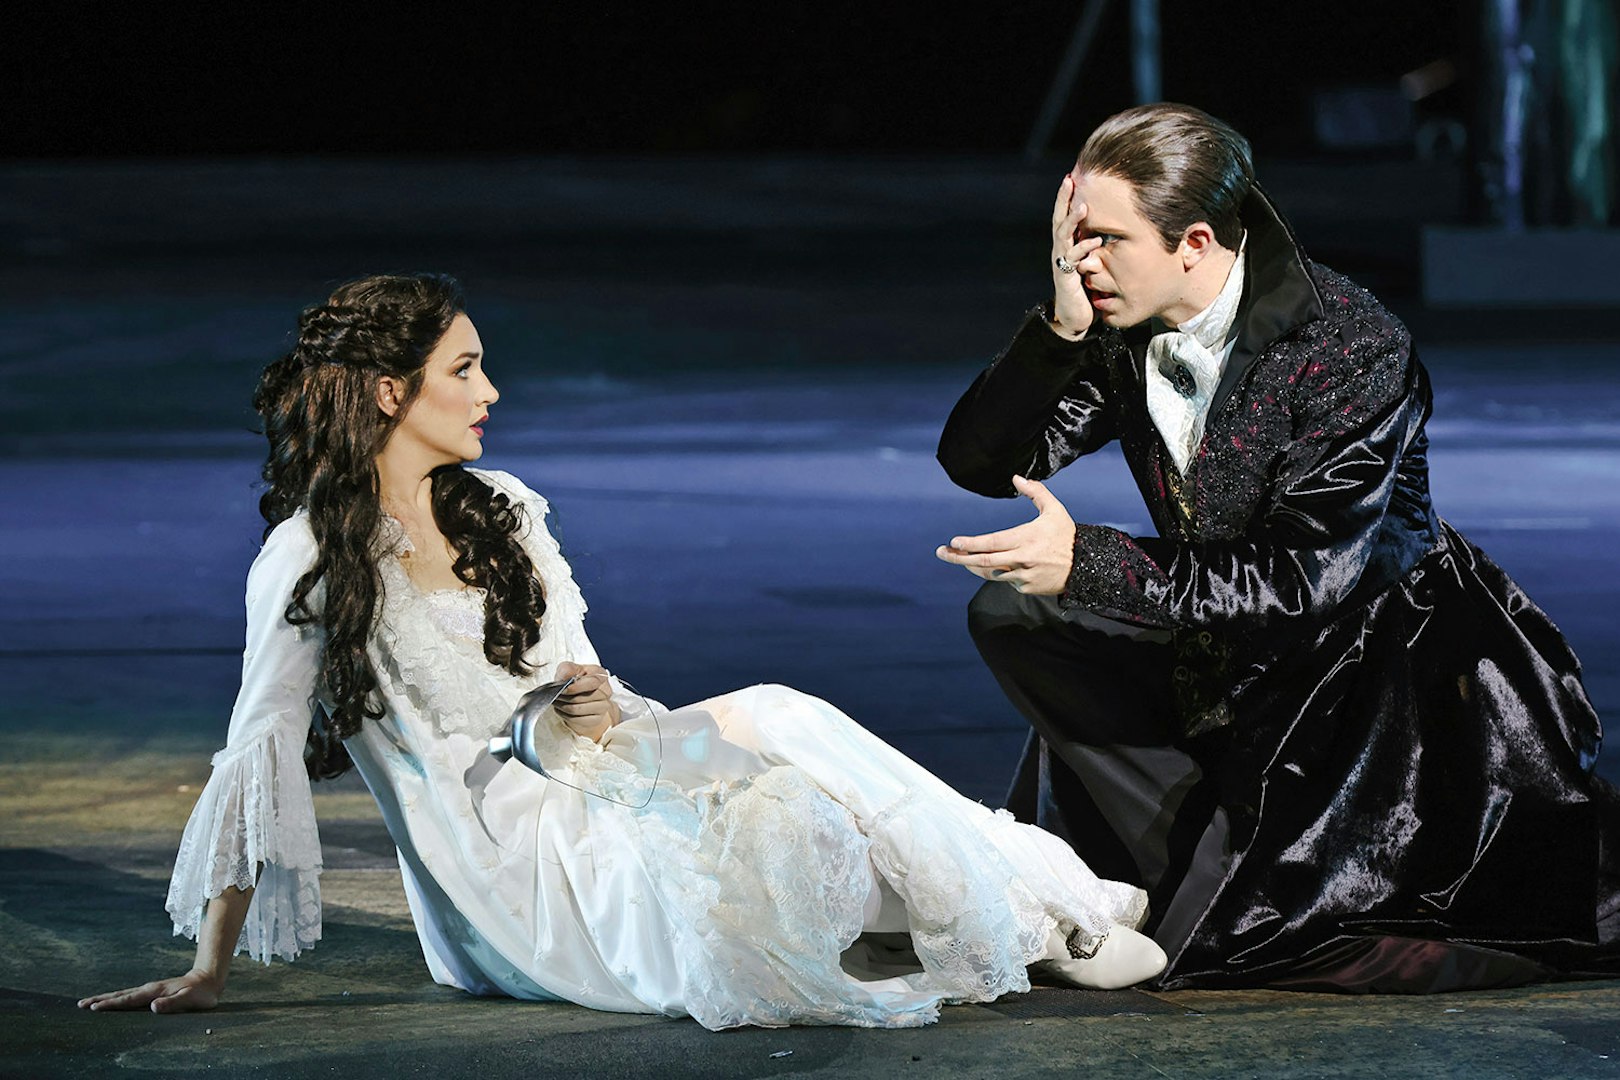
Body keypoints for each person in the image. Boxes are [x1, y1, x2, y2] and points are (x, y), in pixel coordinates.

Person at [79, 273, 1166, 1030]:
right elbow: (257, 754)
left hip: (605, 779)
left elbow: (589, 701)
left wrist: (598, 714)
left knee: (793, 774)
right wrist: (207, 967)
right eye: (465, 368)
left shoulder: (501, 509)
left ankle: (1025, 907)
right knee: (779, 764)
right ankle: (1039, 912)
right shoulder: (310, 556)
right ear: (387, 390)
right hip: (519, 876)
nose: (490, 391)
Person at [935, 103, 1620, 992]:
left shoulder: (1347, 343)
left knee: (1246, 944)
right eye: (1072, 241)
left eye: (1103, 240)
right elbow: (981, 460)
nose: (1081, 262)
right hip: (1223, 625)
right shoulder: (1119, 328)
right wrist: (1059, 330)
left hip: (1370, 670)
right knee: (1015, 608)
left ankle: (1238, 869)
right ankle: (1182, 847)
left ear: (1195, 241)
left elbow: (1309, 578)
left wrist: (1094, 562)